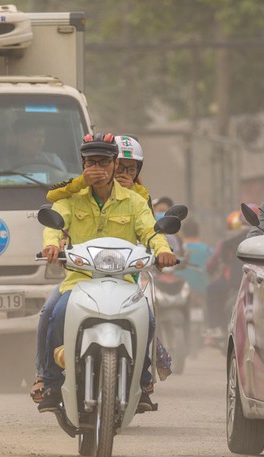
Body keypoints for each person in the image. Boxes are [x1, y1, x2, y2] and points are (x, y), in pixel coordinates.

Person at [37, 132, 176, 413]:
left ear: (115, 164)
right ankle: (51, 382)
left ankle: (141, 381)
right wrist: (51, 245)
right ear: (82, 165)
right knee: (56, 313)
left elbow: (151, 231)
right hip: (79, 280)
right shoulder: (72, 197)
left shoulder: (135, 201)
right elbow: (54, 222)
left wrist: (163, 250)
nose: (96, 169)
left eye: (102, 162)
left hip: (123, 281)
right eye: (90, 162)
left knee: (147, 318)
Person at [204, 209, 256, 337]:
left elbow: (215, 261)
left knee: (212, 290)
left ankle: (215, 326)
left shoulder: (228, 242)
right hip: (258, 281)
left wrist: (212, 270)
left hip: (235, 282)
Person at [0, 117, 66, 171]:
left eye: (42, 136)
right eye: (35, 136)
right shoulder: (6, 165)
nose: (40, 141)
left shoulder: (53, 160)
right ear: (21, 138)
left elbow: (66, 183)